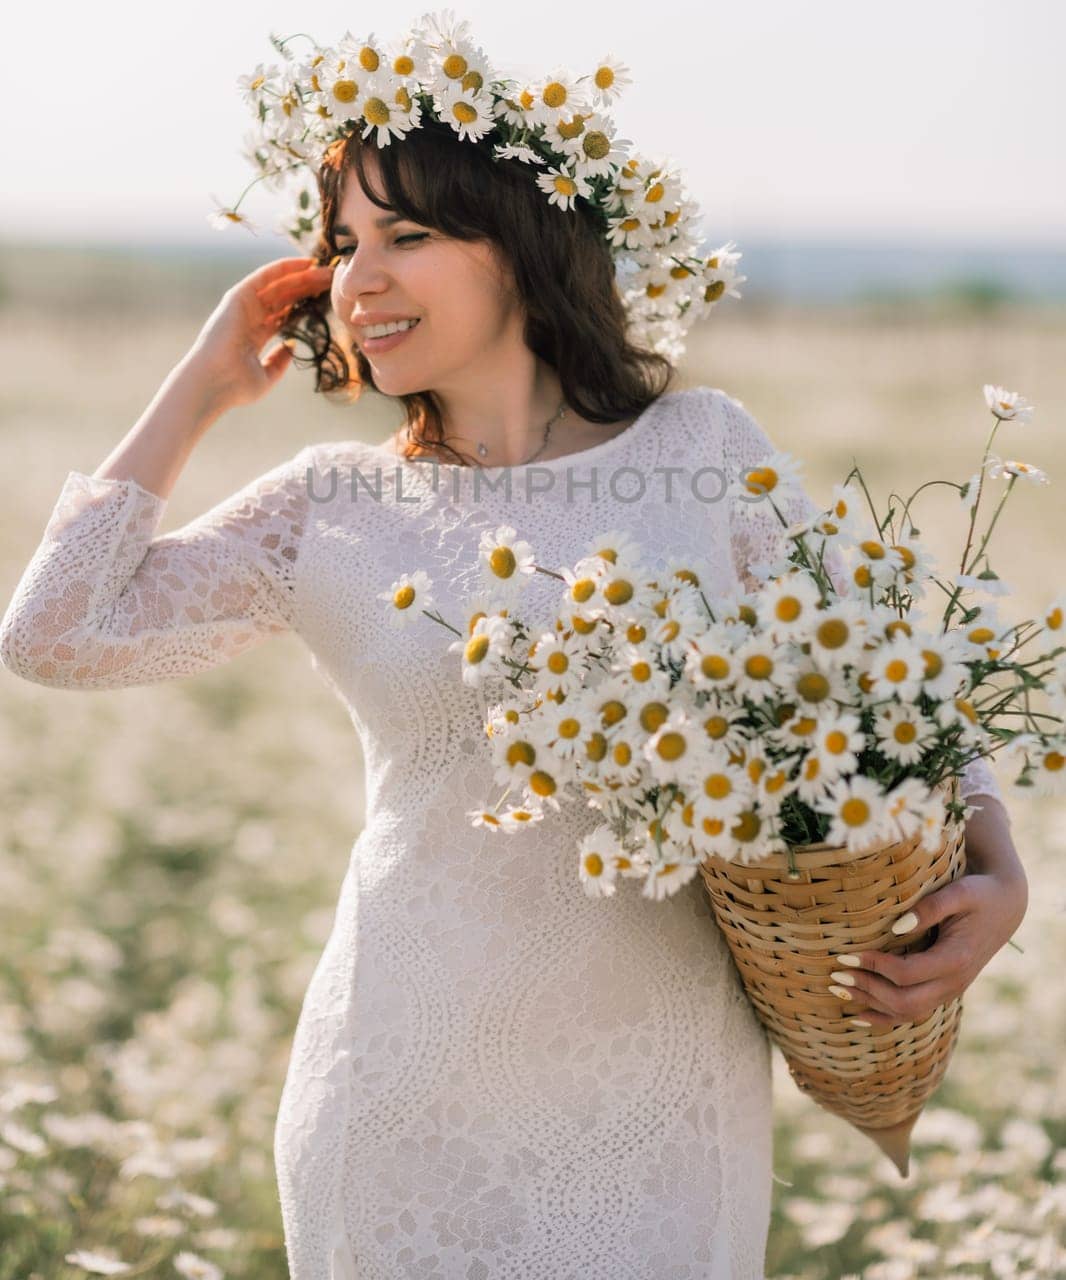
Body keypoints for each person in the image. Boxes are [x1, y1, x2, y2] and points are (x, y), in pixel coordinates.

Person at [0, 123, 1027, 1280]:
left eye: (410, 234)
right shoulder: (329, 504)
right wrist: (199, 386)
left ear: (527, 243)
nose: (359, 279)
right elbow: (53, 637)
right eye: (341, 245)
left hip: (660, 1102)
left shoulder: (700, 449)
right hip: (394, 1099)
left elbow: (892, 684)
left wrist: (1000, 868)